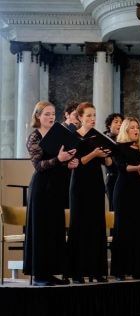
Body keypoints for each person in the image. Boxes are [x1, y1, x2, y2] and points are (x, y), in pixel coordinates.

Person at [23, 101, 78, 286]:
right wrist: (59, 159)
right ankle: (39, 275)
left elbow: (60, 161)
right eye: (47, 114)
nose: (51, 117)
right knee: (41, 231)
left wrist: (69, 162)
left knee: (54, 230)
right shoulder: (34, 137)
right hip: (41, 189)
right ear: (38, 116)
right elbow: (39, 166)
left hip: (56, 188)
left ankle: (51, 272)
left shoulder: (58, 134)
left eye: (53, 113)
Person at [67, 102, 110, 284]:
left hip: (96, 184)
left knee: (97, 225)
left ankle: (97, 271)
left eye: (94, 116)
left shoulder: (98, 136)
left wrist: (107, 153)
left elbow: (108, 164)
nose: (92, 119)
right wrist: (94, 154)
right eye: (89, 116)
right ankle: (78, 272)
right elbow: (76, 162)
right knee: (79, 225)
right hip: (79, 185)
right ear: (80, 118)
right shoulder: (73, 136)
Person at [110, 117, 140, 281]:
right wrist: (138, 168)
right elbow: (121, 166)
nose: (136, 130)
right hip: (124, 190)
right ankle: (121, 270)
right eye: (132, 128)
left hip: (139, 190)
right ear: (126, 130)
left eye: (137, 128)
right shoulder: (119, 147)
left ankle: (138, 269)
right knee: (123, 228)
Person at [104, 113, 123, 211]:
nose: (119, 124)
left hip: (123, 178)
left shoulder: (123, 140)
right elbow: (109, 164)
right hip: (112, 178)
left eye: (121, 122)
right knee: (114, 210)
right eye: (116, 122)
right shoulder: (104, 139)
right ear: (109, 125)